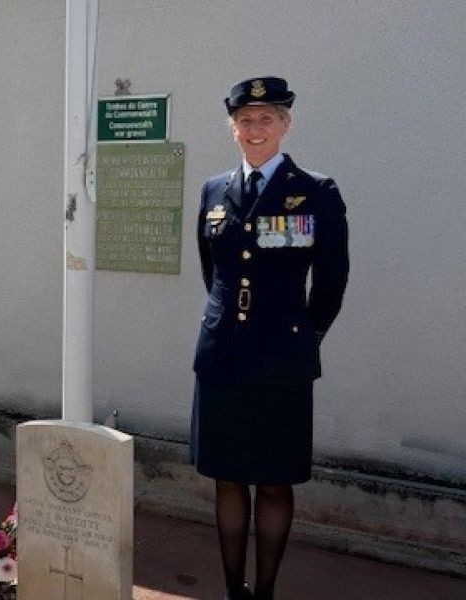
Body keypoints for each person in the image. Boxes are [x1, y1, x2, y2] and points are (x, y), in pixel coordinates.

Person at [190, 77, 349, 600]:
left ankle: (264, 592)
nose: (254, 129)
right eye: (245, 120)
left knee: (275, 482)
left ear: (285, 125)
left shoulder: (317, 191)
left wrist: (305, 337)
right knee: (228, 478)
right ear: (233, 128)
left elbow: (331, 280)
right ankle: (232, 590)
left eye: (266, 118)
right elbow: (213, 271)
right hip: (222, 357)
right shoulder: (214, 190)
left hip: (283, 360)